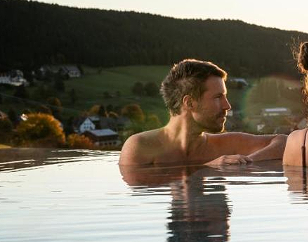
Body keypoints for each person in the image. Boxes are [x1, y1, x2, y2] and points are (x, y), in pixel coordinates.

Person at [119, 59, 286, 166]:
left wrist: (247, 161)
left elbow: (284, 141)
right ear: (190, 103)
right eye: (218, 97)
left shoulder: (226, 144)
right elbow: (138, 189)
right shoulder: (140, 147)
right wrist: (208, 168)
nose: (227, 106)